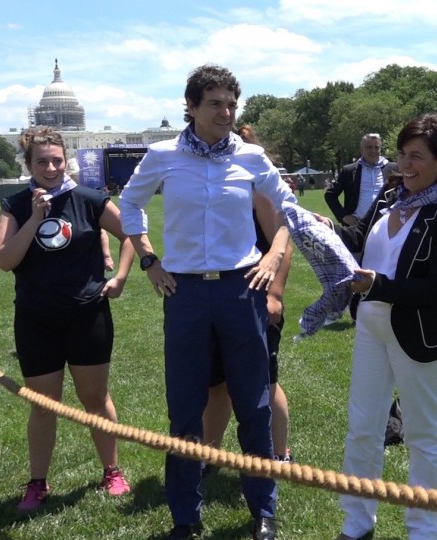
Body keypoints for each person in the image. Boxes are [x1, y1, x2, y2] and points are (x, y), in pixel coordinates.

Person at [119, 64, 297, 540]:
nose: (225, 112)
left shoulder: (252, 156)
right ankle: (185, 517)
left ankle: (263, 511)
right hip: (185, 292)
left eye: (231, 104)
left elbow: (288, 210)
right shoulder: (162, 155)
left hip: (242, 289)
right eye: (215, 103)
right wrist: (148, 258)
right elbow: (130, 205)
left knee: (254, 405)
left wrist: (274, 253)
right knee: (184, 408)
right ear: (192, 106)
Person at [325, 113, 437, 540]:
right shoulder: (391, 197)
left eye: (417, 157)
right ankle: (356, 523)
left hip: (419, 332)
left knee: (424, 432)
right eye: (402, 154)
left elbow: (436, 288)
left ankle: (425, 528)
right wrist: (330, 231)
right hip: (370, 326)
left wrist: (378, 285)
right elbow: (360, 245)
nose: (405, 165)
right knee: (363, 427)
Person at [0, 126, 135, 511]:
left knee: (94, 397)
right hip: (37, 318)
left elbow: (131, 234)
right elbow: (6, 260)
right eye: (43, 162)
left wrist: (119, 277)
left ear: (65, 159)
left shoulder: (89, 198)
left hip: (87, 314)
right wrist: (35, 220)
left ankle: (112, 471)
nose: (52, 168)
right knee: (43, 404)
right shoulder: (15, 205)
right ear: (29, 164)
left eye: (57, 160)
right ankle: (38, 483)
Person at [202, 126, 293, 467]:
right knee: (217, 384)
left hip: (257, 297)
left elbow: (283, 245)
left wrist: (275, 295)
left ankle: (280, 454)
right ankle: (208, 456)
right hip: (221, 298)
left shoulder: (261, 191)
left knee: (264, 382)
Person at [326, 134, 399, 229]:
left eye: (376, 147)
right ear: (361, 150)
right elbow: (330, 195)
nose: (373, 150)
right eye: (369, 147)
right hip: (357, 226)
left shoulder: (393, 168)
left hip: (384, 226)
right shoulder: (349, 171)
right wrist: (343, 216)